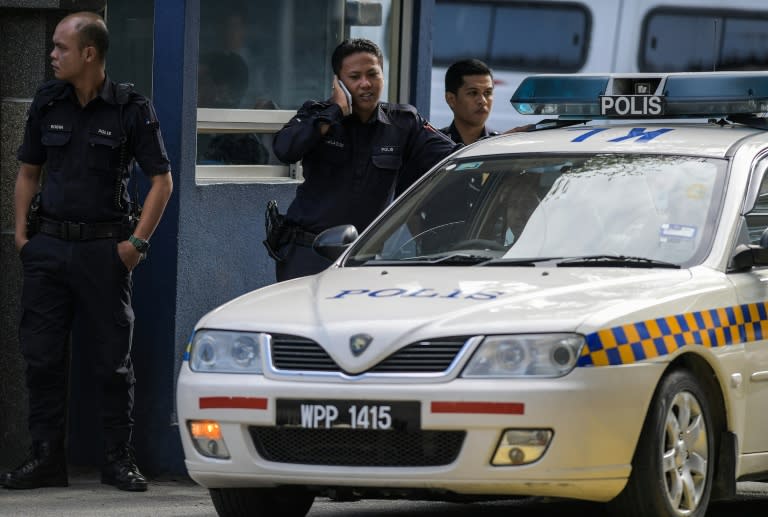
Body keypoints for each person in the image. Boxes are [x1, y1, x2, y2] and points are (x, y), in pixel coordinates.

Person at [1, 11, 173, 492]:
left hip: (104, 251)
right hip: (48, 249)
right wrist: (21, 237)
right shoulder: (47, 100)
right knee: (41, 358)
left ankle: (118, 461)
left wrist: (136, 245)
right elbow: (28, 172)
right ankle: (45, 460)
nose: (52, 55)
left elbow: (162, 181)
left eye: (61, 47)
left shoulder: (130, 108)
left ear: (89, 54)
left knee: (112, 362)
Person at [271, 38, 460, 281]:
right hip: (307, 254)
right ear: (338, 82)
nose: (365, 84)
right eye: (354, 76)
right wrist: (334, 112)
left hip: (362, 259)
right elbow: (285, 149)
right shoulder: (318, 115)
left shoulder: (403, 122)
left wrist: (500, 143)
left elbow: (453, 154)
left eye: (373, 74)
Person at [441, 59, 498, 144]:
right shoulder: (435, 145)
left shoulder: (499, 146)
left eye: (487, 92)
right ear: (451, 99)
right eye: (473, 93)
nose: (483, 101)